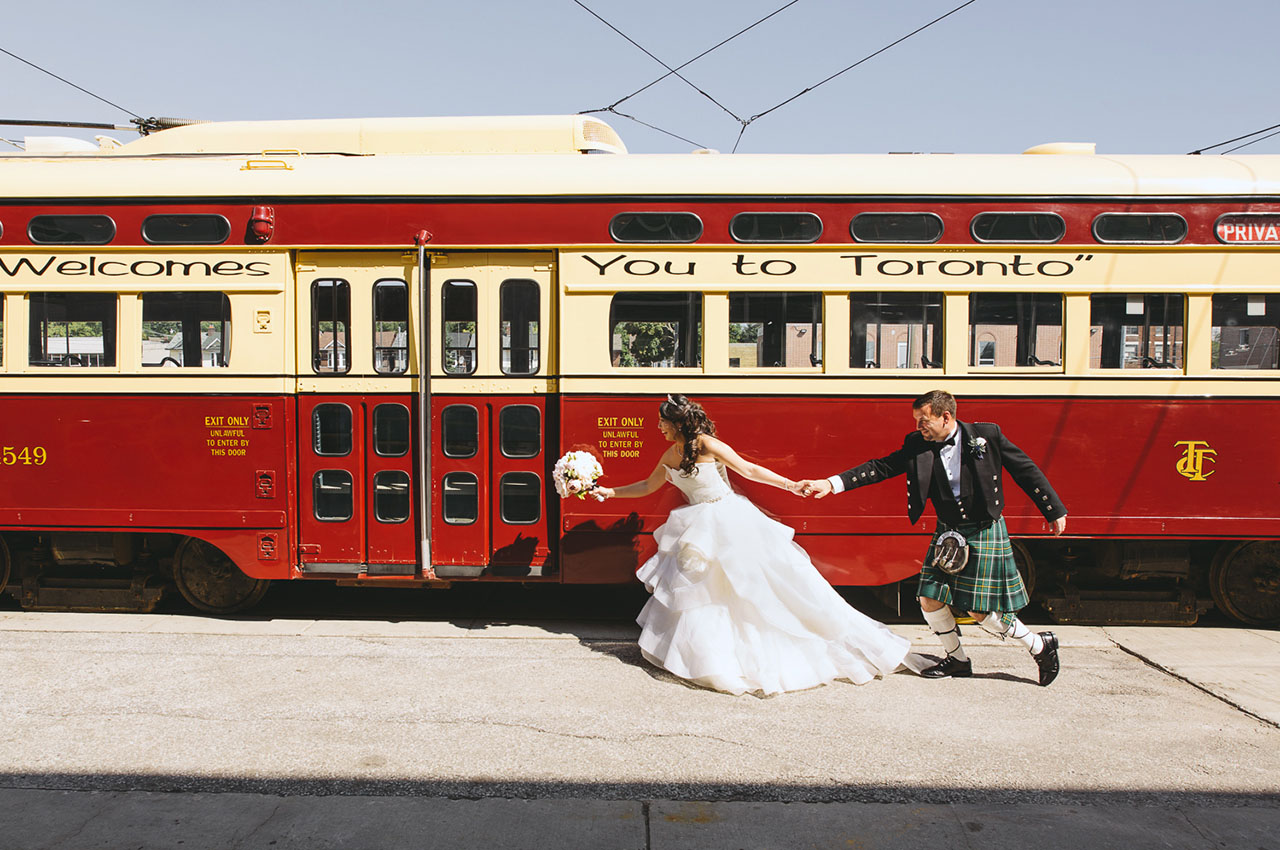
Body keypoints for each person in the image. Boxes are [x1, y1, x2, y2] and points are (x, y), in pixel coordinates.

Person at [590, 394, 928, 696]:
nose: (659, 428)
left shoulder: (707, 444)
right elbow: (648, 485)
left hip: (729, 520)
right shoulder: (672, 452)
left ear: (676, 422)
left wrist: (790, 485)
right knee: (704, 594)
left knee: (754, 591)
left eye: (662, 422)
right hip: (698, 525)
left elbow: (748, 469)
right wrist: (609, 492)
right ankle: (712, 658)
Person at [798, 390, 1066, 686]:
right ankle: (958, 660)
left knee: (979, 611)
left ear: (946, 417)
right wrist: (832, 484)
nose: (918, 428)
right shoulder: (917, 444)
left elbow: (1025, 470)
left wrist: (1052, 509)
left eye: (923, 421)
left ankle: (1039, 645)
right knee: (929, 598)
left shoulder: (985, 436)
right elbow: (881, 467)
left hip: (983, 528)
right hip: (948, 531)